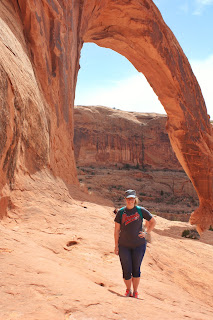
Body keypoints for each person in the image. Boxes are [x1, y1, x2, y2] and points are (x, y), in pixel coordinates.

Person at [114, 189, 156, 298]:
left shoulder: (140, 211)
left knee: (136, 268)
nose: (130, 201)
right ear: (125, 199)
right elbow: (116, 230)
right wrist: (116, 246)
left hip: (139, 245)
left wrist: (146, 232)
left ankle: (135, 291)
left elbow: (153, 221)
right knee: (126, 269)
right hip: (124, 245)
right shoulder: (121, 212)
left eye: (132, 199)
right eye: (128, 199)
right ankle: (128, 290)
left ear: (135, 199)